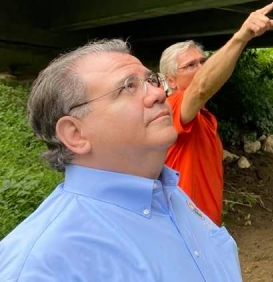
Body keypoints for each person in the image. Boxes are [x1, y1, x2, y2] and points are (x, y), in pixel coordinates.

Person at [0, 39, 242, 282]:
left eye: (150, 81)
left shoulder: (174, 197)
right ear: (76, 134)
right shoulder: (41, 265)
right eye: (128, 87)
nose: (159, 93)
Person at [160, 0, 273, 226]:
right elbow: (201, 88)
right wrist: (241, 37)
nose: (201, 68)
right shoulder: (171, 107)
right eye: (191, 65)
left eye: (203, 62)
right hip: (184, 231)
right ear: (171, 80)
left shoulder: (204, 117)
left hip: (207, 230)